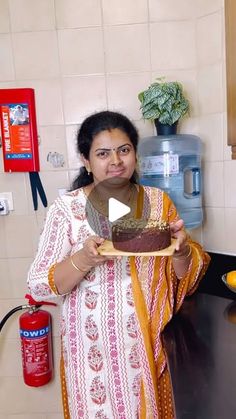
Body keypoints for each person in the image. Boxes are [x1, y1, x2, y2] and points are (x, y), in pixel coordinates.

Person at [27, 110, 210, 419]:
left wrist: (181, 253)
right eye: (102, 153)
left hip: (147, 350)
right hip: (91, 355)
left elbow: (184, 281)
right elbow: (40, 283)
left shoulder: (156, 202)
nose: (115, 161)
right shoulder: (67, 209)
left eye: (124, 150)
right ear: (86, 161)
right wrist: (84, 258)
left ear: (135, 155)